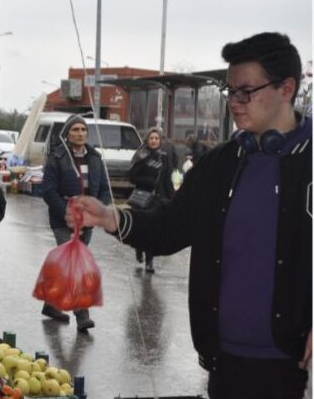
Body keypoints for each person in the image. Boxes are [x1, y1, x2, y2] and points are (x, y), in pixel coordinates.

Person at [66, 33, 311, 399]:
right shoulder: (218, 166)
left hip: (295, 368)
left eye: (246, 91)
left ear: (286, 88)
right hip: (223, 362)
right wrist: (111, 218)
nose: (234, 103)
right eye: (230, 92)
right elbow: (169, 227)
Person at [41, 114, 111, 332]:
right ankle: (82, 314)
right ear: (68, 133)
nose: (80, 134)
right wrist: (68, 214)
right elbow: (48, 191)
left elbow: (105, 190)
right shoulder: (57, 157)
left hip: (87, 221)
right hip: (63, 222)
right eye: (75, 130)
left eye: (83, 130)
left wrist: (99, 209)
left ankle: (51, 305)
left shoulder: (96, 158)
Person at [129, 127, 175, 273]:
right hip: (142, 198)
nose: (154, 141)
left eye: (157, 138)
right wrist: (147, 181)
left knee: (153, 231)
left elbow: (167, 180)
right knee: (142, 229)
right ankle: (138, 248)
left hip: (157, 199)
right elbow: (132, 177)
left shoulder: (164, 157)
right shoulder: (141, 156)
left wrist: (173, 198)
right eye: (151, 138)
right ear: (147, 140)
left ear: (160, 141)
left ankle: (150, 261)